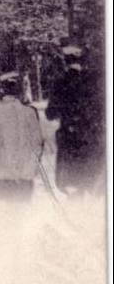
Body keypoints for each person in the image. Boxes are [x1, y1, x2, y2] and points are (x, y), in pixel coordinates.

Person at [45, 45, 102, 195]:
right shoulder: (93, 83)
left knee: (70, 181)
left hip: (68, 135)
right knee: (87, 177)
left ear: (65, 61)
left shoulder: (60, 83)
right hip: (89, 135)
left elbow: (50, 114)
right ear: (82, 61)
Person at [0, 74, 44, 201]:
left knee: (6, 209)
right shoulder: (30, 111)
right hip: (25, 171)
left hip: (4, 171)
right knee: (24, 208)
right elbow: (38, 140)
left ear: (1, 92)